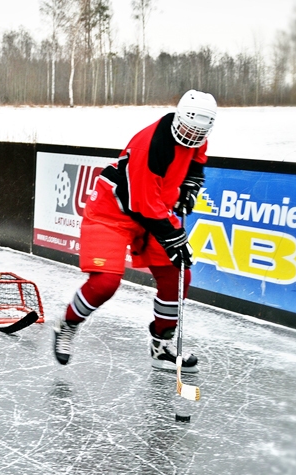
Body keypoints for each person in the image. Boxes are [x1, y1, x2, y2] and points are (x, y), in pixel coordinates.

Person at [52, 89, 217, 374]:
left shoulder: (198, 136)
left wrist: (190, 186)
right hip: (112, 210)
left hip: (154, 208)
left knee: (177, 275)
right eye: (189, 130)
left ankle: (161, 345)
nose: (192, 137)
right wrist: (174, 238)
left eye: (198, 133)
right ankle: (67, 324)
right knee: (105, 282)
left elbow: (196, 162)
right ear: (179, 118)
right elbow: (144, 205)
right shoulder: (150, 145)